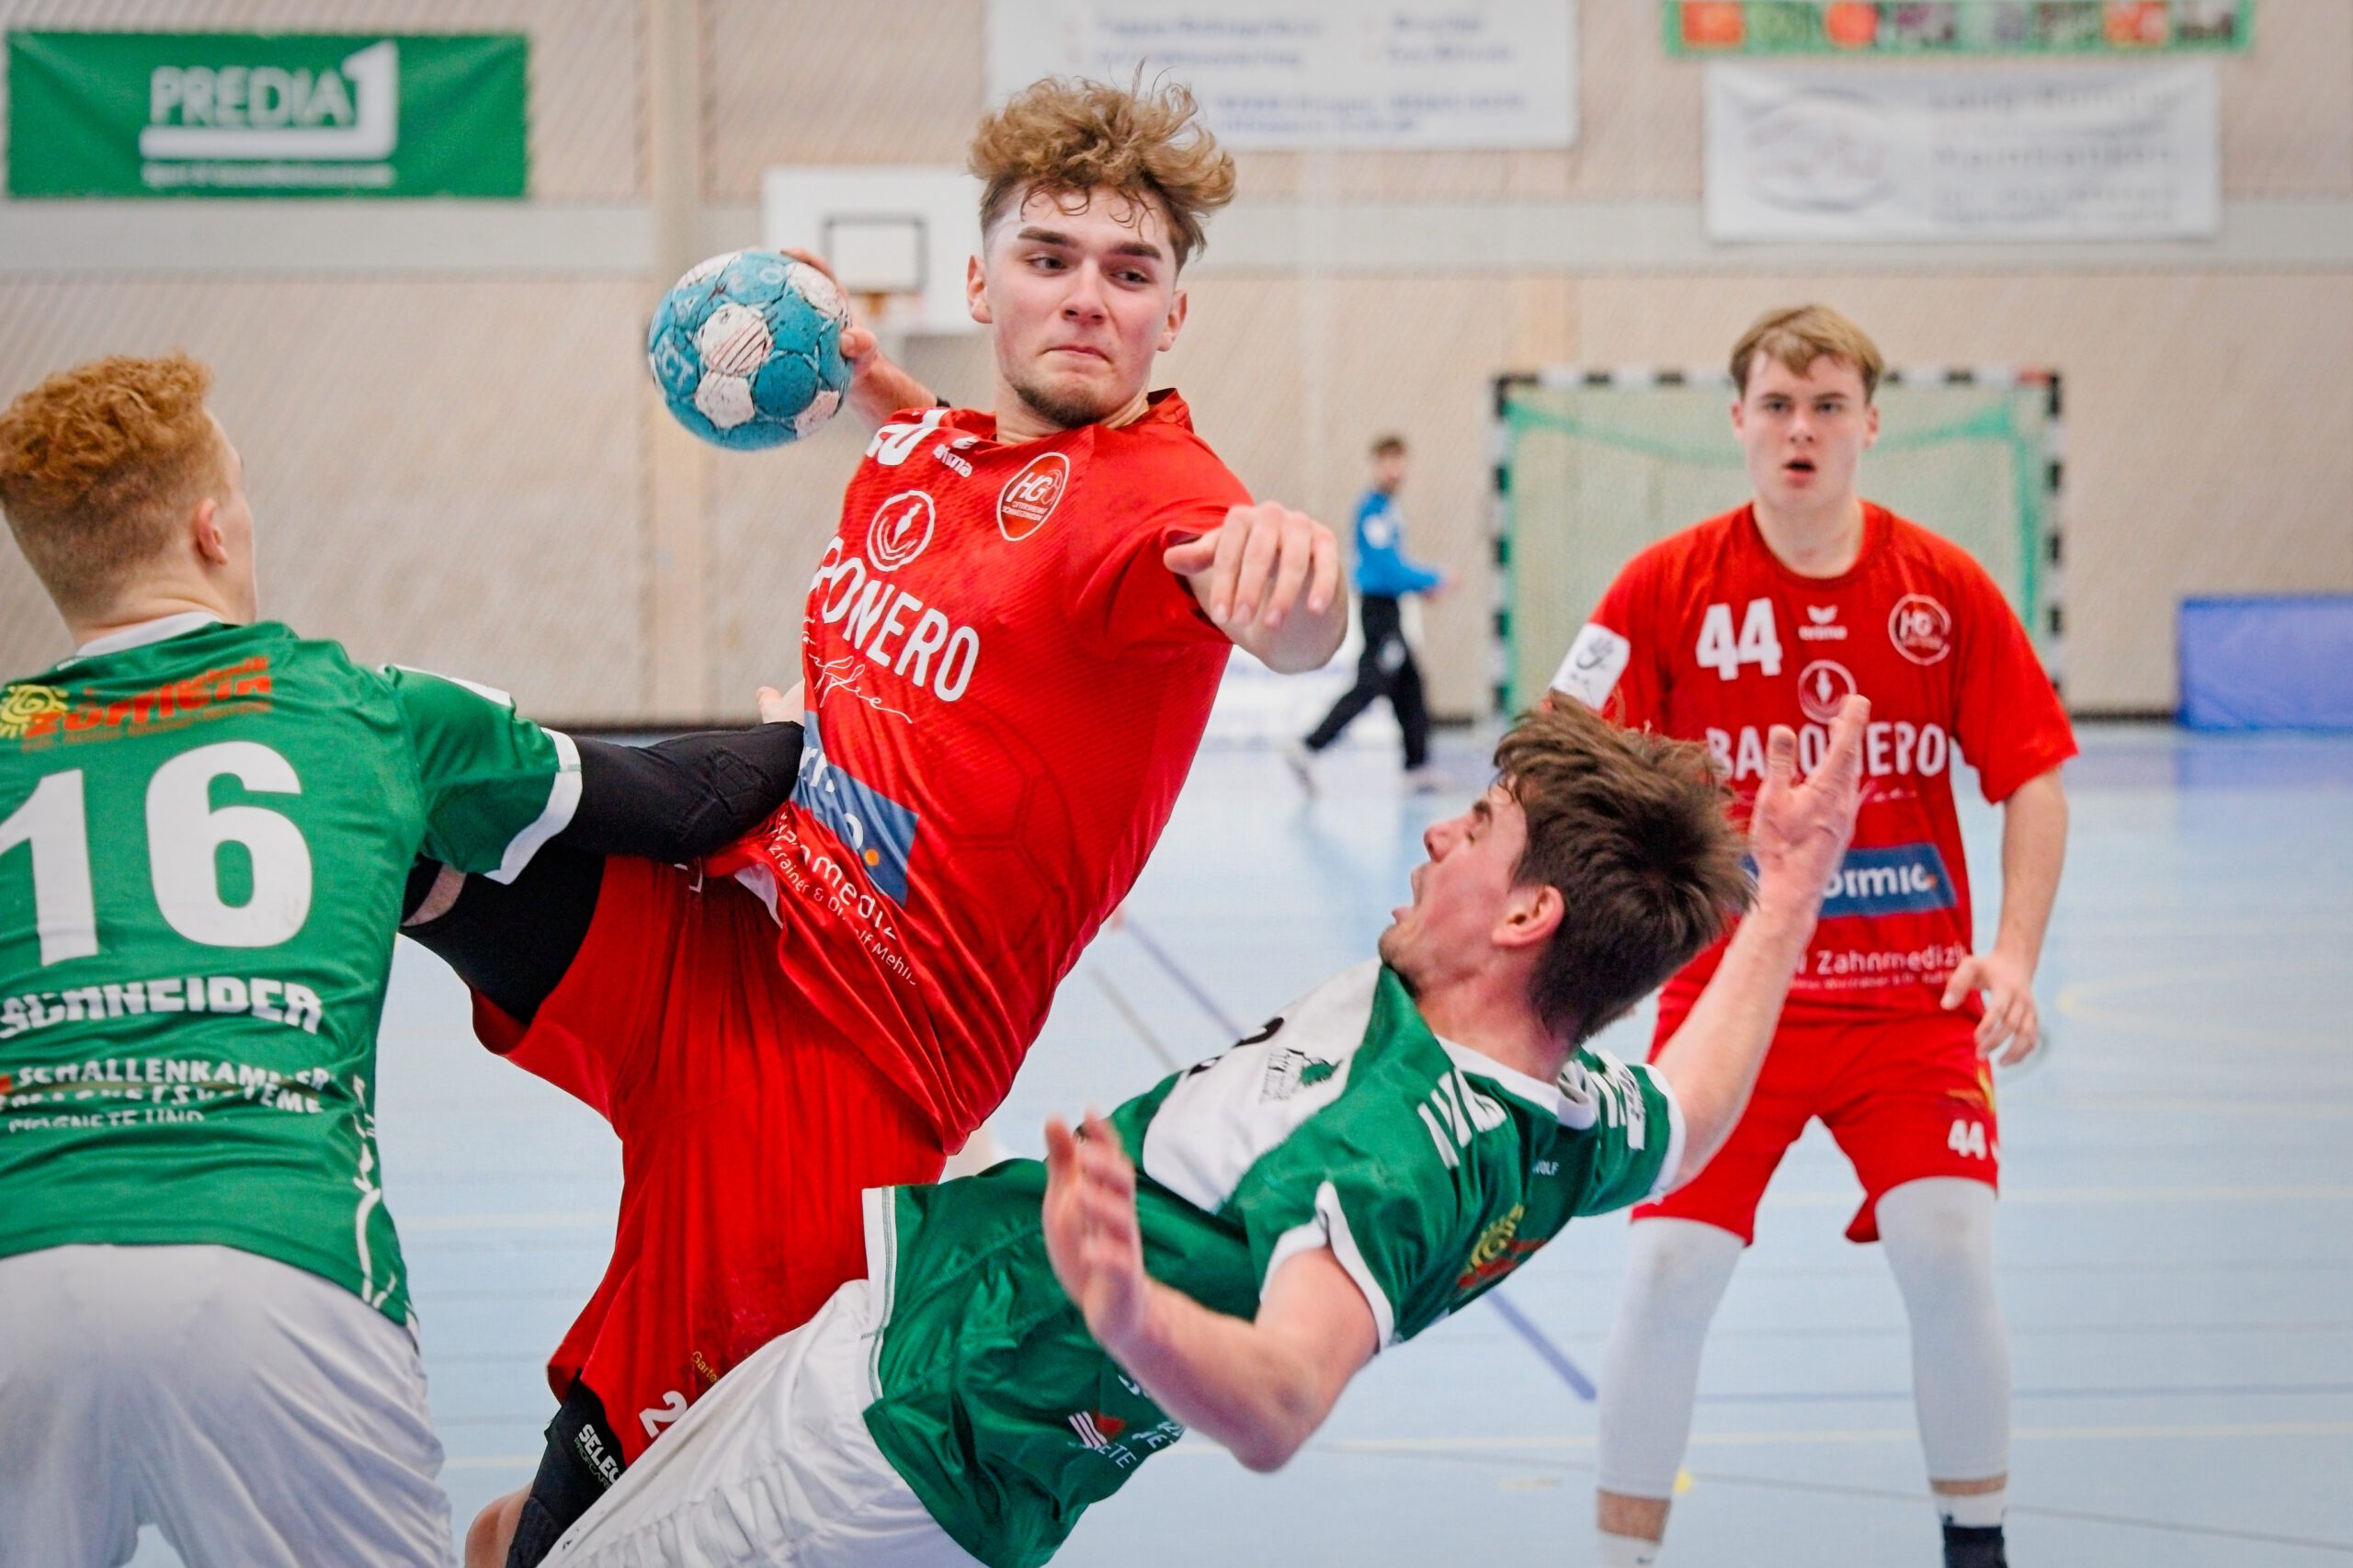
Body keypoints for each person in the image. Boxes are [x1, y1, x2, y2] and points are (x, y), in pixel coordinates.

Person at [426, 77, 1353, 1565]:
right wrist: (866, 379)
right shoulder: (929, 453)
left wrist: (1297, 590)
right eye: (1049, 257)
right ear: (981, 285)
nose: (1087, 296)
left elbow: (1257, 602)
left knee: (583, 1528)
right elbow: (982, 480)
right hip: (718, 929)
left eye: (1130, 273)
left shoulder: (1166, 502)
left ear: (1173, 315)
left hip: (840, 1071)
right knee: (422, 822)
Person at [529, 693, 1870, 1568]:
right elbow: (1689, 1114)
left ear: (1526, 917)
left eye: (1475, 828)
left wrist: (1131, 1309)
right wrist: (1792, 891)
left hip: (914, 1415)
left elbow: (1284, 1397)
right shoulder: (1561, 1110)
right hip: (964, 1424)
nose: (1433, 837)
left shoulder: (1386, 1151)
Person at [0, 354, 810, 1567]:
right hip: (277, 1264)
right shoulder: (366, 708)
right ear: (213, 526)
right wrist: (794, 725)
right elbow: (683, 800)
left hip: (21, 1273)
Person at [1546, 305, 2075, 1568]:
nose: (1802, 429)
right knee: (1666, 1272)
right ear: (1738, 421)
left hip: (1909, 1004)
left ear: (1870, 424)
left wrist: (2012, 955)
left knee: (1947, 1251)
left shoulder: (1943, 588)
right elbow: (1558, 761)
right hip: (1733, 1000)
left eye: (1828, 405)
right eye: (1778, 405)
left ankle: (1977, 1545)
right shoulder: (1665, 585)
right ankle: (1621, 1556)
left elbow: (2033, 776)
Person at [1289, 433, 1450, 794]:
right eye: (1387, 462)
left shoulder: (1390, 509)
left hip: (1391, 609)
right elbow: (1385, 568)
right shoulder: (1372, 511)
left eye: (1399, 461)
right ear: (1376, 465)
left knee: (1410, 683)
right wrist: (1431, 580)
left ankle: (1416, 765)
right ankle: (1309, 746)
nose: (1395, 470)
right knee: (1371, 684)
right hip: (1378, 612)